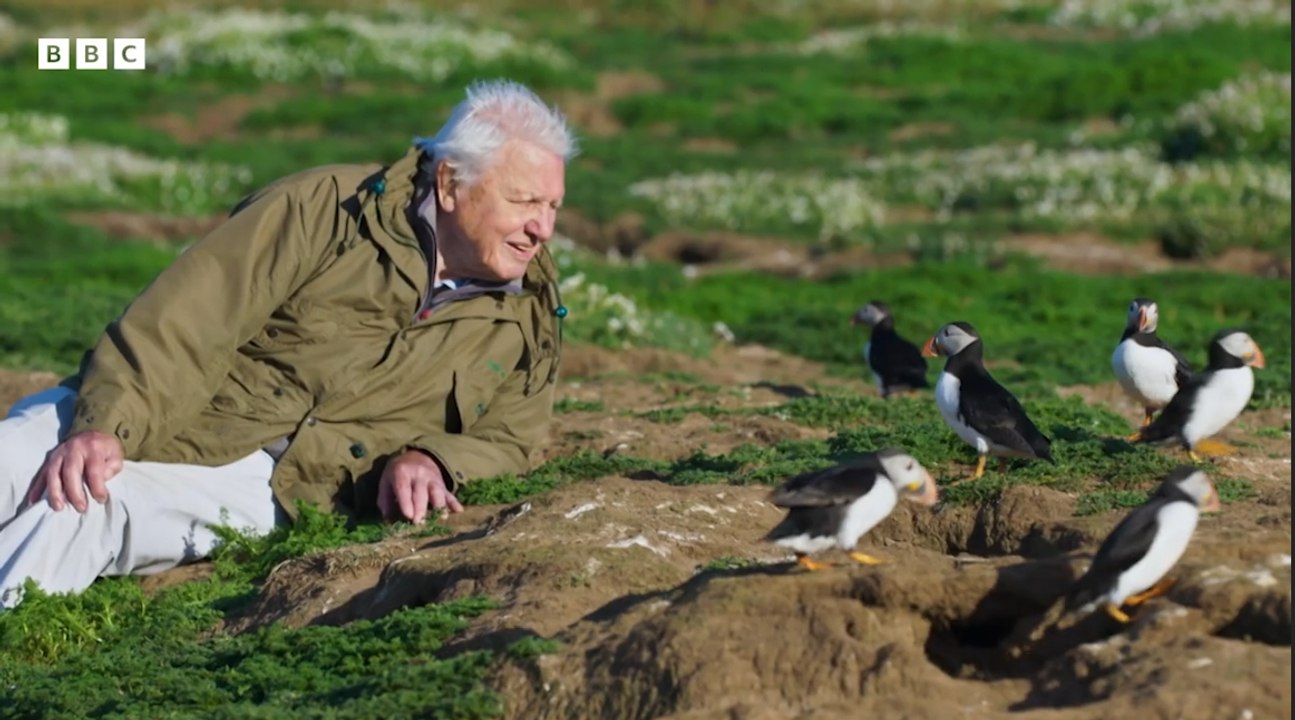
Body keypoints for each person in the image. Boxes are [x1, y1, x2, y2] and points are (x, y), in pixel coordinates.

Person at [0, 78, 577, 609]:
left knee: (72, 509)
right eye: (524, 202)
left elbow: (511, 435)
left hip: (277, 482)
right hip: (185, 403)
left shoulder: (532, 309)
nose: (542, 228)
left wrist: (436, 458)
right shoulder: (326, 207)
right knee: (11, 462)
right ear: (451, 183)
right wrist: (106, 426)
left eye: (551, 206)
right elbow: (188, 318)